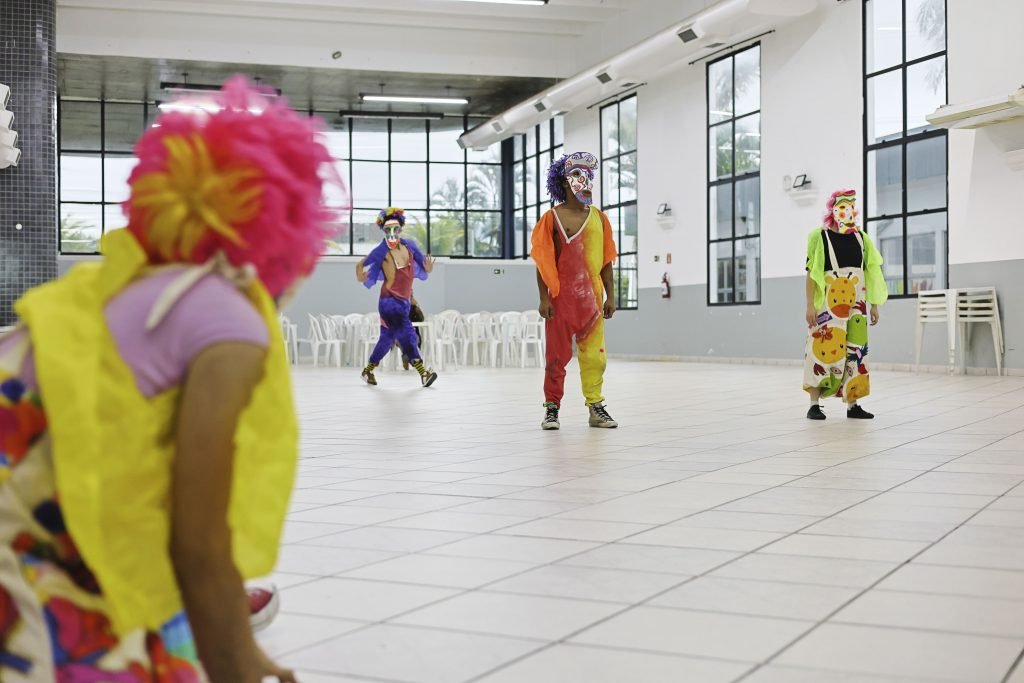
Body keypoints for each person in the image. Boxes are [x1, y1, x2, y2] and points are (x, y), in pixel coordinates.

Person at [0, 76, 342, 682]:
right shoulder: (230, 322)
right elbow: (198, 541)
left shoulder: (133, 287)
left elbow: (145, 505)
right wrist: (236, 664)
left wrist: (230, 641)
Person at [530, 152, 619, 430]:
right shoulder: (551, 219)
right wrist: (544, 297)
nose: (585, 181)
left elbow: (606, 261)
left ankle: (596, 406)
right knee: (556, 357)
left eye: (588, 176)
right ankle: (552, 408)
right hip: (560, 301)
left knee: (595, 356)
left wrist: (611, 296)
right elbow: (542, 261)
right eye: (578, 176)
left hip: (591, 302)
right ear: (564, 183)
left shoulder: (600, 219)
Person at [803, 189, 888, 420]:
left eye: (850, 205)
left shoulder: (861, 238)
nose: (846, 210)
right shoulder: (819, 237)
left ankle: (853, 404)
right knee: (821, 349)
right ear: (832, 210)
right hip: (828, 304)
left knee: (856, 351)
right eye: (841, 206)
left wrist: (874, 304)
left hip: (857, 304)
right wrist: (810, 305)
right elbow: (812, 274)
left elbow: (871, 272)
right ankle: (814, 404)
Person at [356, 208, 437, 387]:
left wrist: (428, 269)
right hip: (389, 302)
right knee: (408, 333)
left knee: (387, 338)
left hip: (404, 302)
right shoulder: (381, 251)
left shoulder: (409, 246)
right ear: (383, 231)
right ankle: (423, 374)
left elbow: (422, 264)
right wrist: (360, 275)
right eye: (387, 230)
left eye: (396, 229)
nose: (392, 233)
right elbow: (361, 264)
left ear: (401, 229)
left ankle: (367, 371)